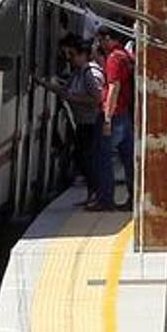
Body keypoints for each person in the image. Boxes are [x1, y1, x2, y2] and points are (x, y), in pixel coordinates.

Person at [55, 35, 109, 207]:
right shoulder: (77, 73)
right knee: (81, 158)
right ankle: (92, 194)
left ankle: (98, 195)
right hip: (82, 123)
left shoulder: (90, 74)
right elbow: (64, 90)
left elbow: (98, 98)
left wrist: (73, 98)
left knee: (88, 159)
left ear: (83, 55)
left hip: (92, 123)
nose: (69, 59)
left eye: (72, 55)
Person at [96, 26, 136, 208]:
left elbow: (114, 87)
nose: (99, 44)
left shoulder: (113, 58)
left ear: (107, 38)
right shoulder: (126, 55)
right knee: (128, 160)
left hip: (115, 114)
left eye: (100, 40)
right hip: (125, 114)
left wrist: (107, 118)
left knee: (104, 159)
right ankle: (133, 198)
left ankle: (105, 200)